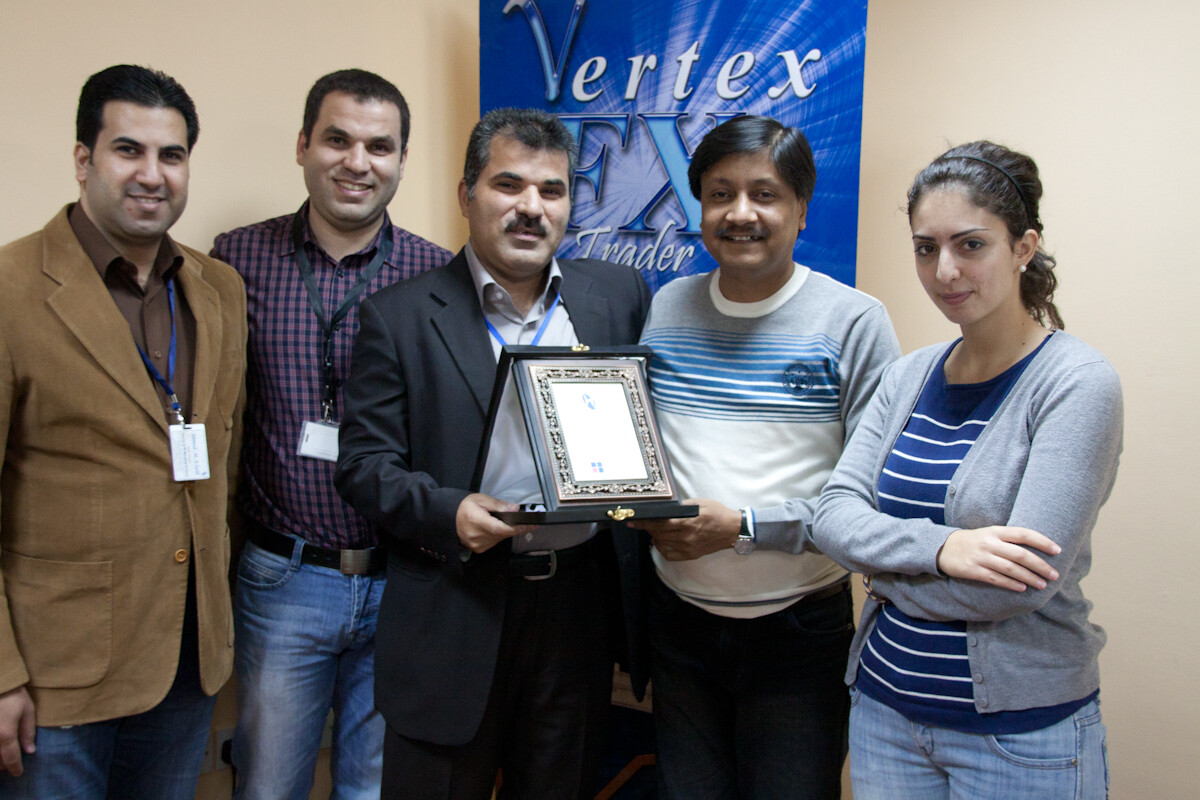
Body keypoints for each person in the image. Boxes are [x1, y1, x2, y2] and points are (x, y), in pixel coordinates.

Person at [334, 107, 651, 800]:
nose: (531, 207)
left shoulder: (615, 297)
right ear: (467, 194)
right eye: (509, 185)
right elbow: (362, 466)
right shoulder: (399, 316)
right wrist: (448, 513)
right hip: (454, 607)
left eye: (552, 190)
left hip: (576, 610)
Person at [813, 141, 1121, 799]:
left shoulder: (1076, 384)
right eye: (926, 248)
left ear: (1024, 247)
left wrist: (884, 576)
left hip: (1019, 737)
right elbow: (832, 516)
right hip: (885, 713)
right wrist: (942, 549)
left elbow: (1018, 586)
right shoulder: (907, 375)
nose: (945, 270)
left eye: (970, 245)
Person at [635, 115, 901, 798]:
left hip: (798, 631)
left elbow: (872, 500)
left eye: (764, 194)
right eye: (720, 194)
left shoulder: (853, 321)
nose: (740, 213)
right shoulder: (667, 307)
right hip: (678, 623)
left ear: (802, 209)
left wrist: (743, 527)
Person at [0, 65, 246, 798]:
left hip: (186, 663)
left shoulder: (218, 288)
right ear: (84, 160)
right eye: (127, 150)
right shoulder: (11, 289)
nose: (152, 174)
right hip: (55, 678)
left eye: (172, 155)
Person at [210, 68, 449, 800]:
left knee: (375, 789)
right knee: (268, 785)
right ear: (302, 146)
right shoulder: (235, 260)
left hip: (402, 579)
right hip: (283, 577)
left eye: (379, 147)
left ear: (402, 160)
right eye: (337, 140)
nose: (357, 162)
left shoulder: (436, 272)